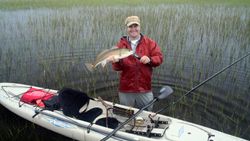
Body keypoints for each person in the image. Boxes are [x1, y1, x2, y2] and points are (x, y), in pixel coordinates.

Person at [109, 16, 163, 111]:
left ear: (140, 27)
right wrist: (116, 62)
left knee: (147, 115)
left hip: (144, 88)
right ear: (127, 28)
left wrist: (150, 59)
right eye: (130, 26)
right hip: (126, 89)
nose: (133, 29)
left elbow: (159, 58)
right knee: (125, 114)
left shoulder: (150, 43)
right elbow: (117, 68)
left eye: (136, 26)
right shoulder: (120, 45)